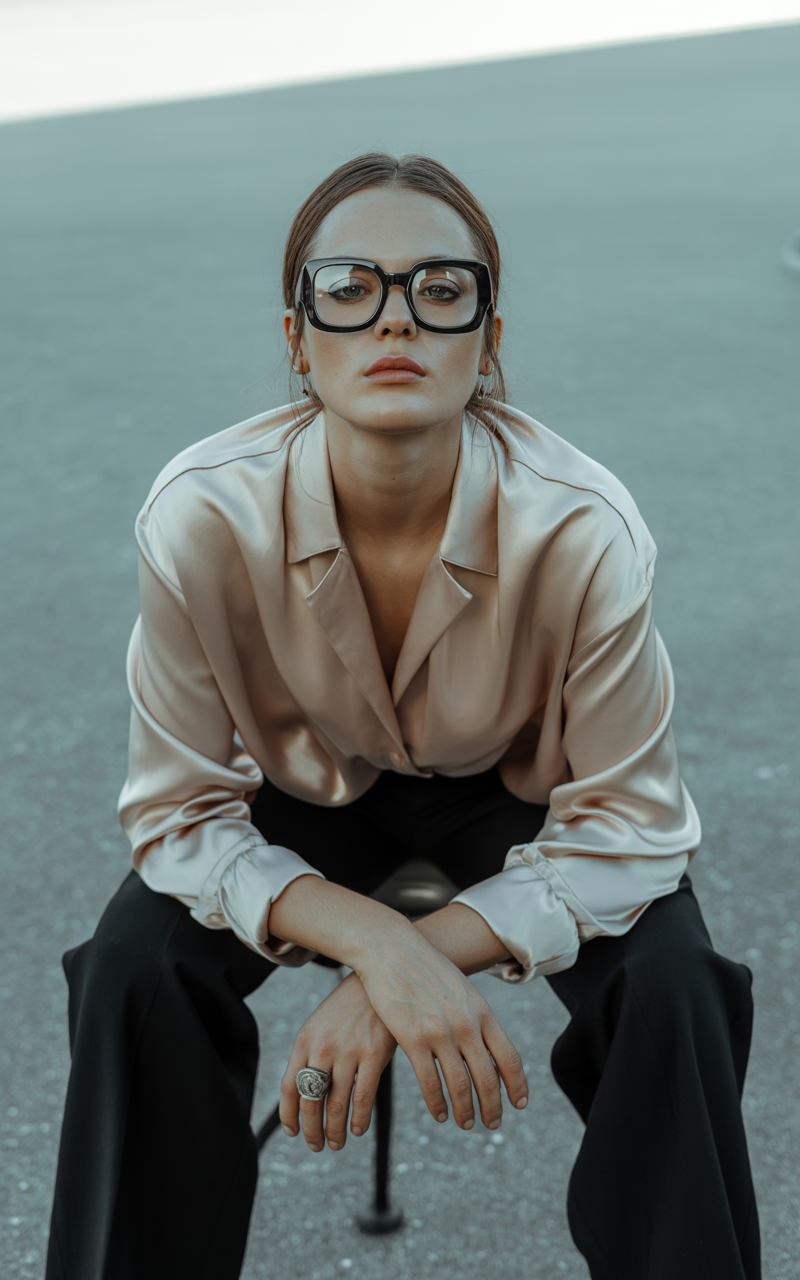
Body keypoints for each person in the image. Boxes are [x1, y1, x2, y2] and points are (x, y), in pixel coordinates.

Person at [46, 152, 761, 1280]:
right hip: (306, 788)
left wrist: (419, 961)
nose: (396, 319)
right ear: (296, 337)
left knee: (674, 982)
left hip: (513, 794)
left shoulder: (581, 529)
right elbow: (178, 812)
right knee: (135, 965)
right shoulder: (198, 516)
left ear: (485, 333)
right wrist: (373, 941)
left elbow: (632, 826)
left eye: (440, 289)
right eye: (349, 286)